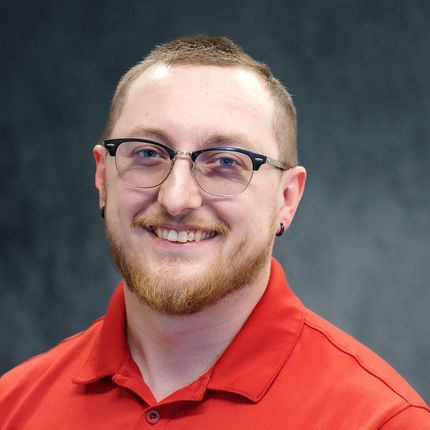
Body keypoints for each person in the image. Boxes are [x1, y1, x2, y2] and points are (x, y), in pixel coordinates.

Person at [0, 35, 429, 429]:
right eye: (147, 153)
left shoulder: (383, 421)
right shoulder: (13, 405)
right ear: (102, 178)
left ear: (286, 198)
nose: (176, 199)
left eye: (225, 161)